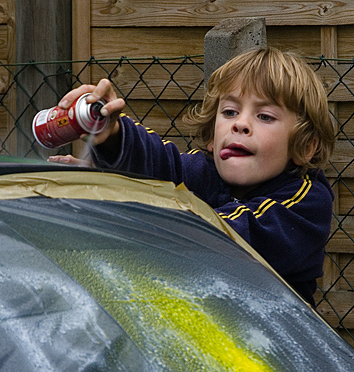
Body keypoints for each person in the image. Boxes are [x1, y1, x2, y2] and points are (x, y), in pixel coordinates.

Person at [49, 46, 336, 305]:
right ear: (212, 137)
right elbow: (160, 165)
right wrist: (112, 136)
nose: (241, 124)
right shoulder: (204, 171)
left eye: (265, 117)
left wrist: (131, 204)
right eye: (230, 111)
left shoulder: (306, 202)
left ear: (305, 147)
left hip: (276, 348)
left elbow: (225, 238)